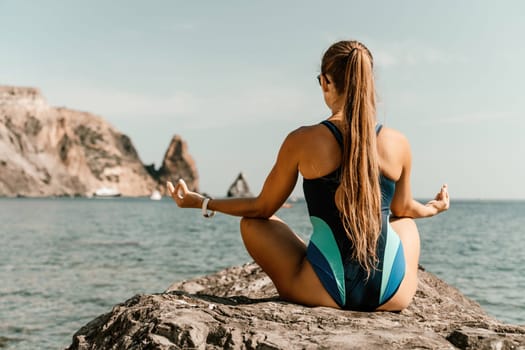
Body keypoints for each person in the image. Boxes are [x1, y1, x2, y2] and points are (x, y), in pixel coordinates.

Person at [167, 40, 450, 312]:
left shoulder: (303, 140)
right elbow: (402, 209)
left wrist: (202, 202)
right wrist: (433, 208)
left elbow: (262, 207)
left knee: (253, 225)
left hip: (324, 292)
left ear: (326, 81)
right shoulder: (397, 142)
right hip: (391, 295)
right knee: (406, 225)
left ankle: (322, 260)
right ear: (367, 81)